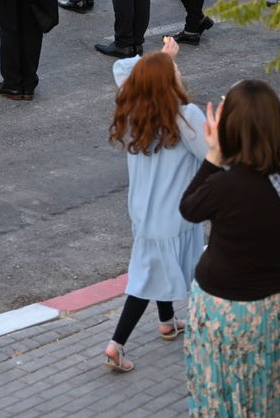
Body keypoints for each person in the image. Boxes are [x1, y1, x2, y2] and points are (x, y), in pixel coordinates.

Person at [180, 80, 280, 418]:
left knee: (222, 390)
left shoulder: (223, 183)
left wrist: (213, 156)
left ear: (230, 125)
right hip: (274, 308)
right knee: (268, 392)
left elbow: (188, 209)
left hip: (219, 310)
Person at [102, 39, 207, 373]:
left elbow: (123, 70)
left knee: (158, 267)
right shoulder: (185, 116)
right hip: (175, 216)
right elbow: (214, 156)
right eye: (174, 70)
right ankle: (116, 344)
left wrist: (161, 58)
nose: (179, 72)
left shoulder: (132, 108)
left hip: (144, 213)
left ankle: (167, 321)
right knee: (147, 279)